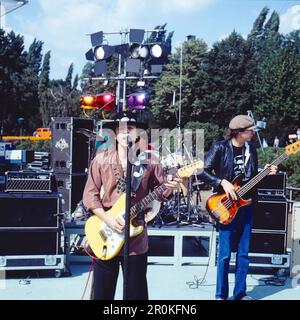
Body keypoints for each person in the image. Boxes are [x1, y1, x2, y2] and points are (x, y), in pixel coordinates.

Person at [82, 111, 181, 300]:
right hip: (105, 232)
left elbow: (161, 194)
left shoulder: (150, 161)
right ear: (115, 133)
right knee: (102, 294)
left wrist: (171, 187)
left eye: (131, 129)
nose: (126, 133)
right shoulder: (101, 159)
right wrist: (108, 219)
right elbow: (90, 195)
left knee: (136, 294)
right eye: (121, 129)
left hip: (135, 238)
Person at [200, 115, 277, 300]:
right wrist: (221, 182)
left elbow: (252, 181)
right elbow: (200, 171)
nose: (253, 134)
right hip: (226, 207)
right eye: (250, 131)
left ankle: (240, 294)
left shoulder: (252, 149)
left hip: (246, 206)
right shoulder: (220, 148)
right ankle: (221, 295)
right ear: (240, 133)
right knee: (225, 255)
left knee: (243, 255)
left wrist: (266, 173)